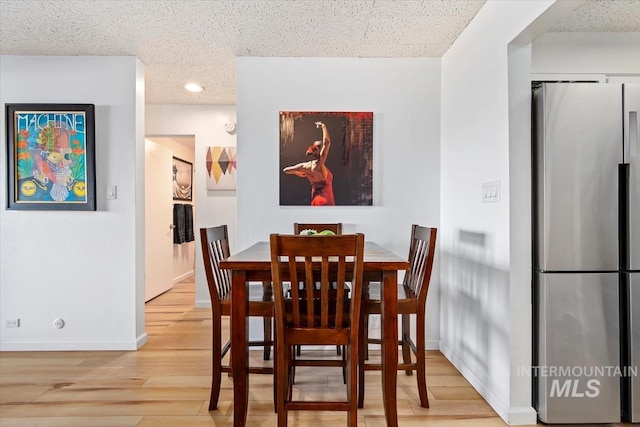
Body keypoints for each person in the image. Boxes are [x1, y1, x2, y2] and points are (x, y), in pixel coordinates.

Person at [283, 121, 335, 206]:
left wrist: (299, 173)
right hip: (325, 200)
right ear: (318, 151)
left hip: (315, 200)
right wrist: (323, 126)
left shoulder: (305, 166)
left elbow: (286, 170)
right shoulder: (319, 164)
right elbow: (327, 142)